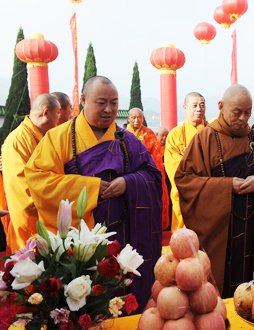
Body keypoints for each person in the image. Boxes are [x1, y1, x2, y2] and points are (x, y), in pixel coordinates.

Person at [25, 76, 162, 312]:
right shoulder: (57, 138)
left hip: (122, 237)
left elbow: (152, 175)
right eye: (101, 102)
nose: (109, 109)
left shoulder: (128, 141)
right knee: (81, 304)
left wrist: (129, 182)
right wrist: (91, 188)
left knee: (119, 299)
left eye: (114, 103)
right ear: (83, 100)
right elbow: (38, 180)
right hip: (79, 240)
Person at [175, 84, 254, 298]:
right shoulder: (204, 138)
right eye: (237, 112)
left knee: (253, 285)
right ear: (221, 107)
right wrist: (225, 187)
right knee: (220, 287)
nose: (243, 118)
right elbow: (185, 180)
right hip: (220, 231)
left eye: (248, 112)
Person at [3, 94, 60, 252]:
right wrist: (53, 207)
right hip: (31, 223)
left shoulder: (37, 137)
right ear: (46, 112)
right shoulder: (18, 139)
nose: (59, 117)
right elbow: (22, 189)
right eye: (58, 112)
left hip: (43, 216)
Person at [164, 92, 208, 232]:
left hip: (208, 190)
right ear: (185, 108)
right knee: (183, 237)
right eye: (194, 106)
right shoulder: (175, 134)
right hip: (184, 192)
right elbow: (173, 165)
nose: (199, 109)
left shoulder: (212, 132)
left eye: (202, 105)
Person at [127, 108, 169, 230]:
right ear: (129, 119)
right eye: (133, 117)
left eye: (139, 117)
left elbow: (156, 156)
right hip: (129, 175)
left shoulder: (149, 134)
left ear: (143, 118)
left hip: (146, 175)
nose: (136, 120)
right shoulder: (123, 134)